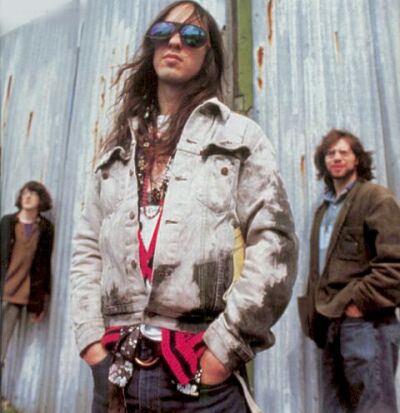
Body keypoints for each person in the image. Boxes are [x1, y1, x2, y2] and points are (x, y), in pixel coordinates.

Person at [70, 1, 297, 412]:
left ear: (208, 54)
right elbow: (87, 248)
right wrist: (91, 345)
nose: (175, 42)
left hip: (199, 376)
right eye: (164, 33)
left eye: (192, 36)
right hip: (118, 372)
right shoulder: (118, 148)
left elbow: (274, 243)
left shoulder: (239, 137)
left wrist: (223, 351)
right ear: (152, 45)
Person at [298, 129, 400, 413]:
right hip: (331, 323)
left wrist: (357, 304)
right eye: (330, 153)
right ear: (323, 161)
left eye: (344, 152)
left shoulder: (375, 198)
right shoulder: (324, 210)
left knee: (374, 406)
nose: (337, 157)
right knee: (335, 408)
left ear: (357, 159)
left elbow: (395, 265)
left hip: (366, 323)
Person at [1, 181, 54, 368]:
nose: (27, 196)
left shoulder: (45, 228)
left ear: (41, 199)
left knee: (1, 349)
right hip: (3, 287)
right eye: (24, 193)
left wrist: (40, 303)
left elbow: (44, 266)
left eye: (33, 193)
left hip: (18, 296)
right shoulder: (7, 222)